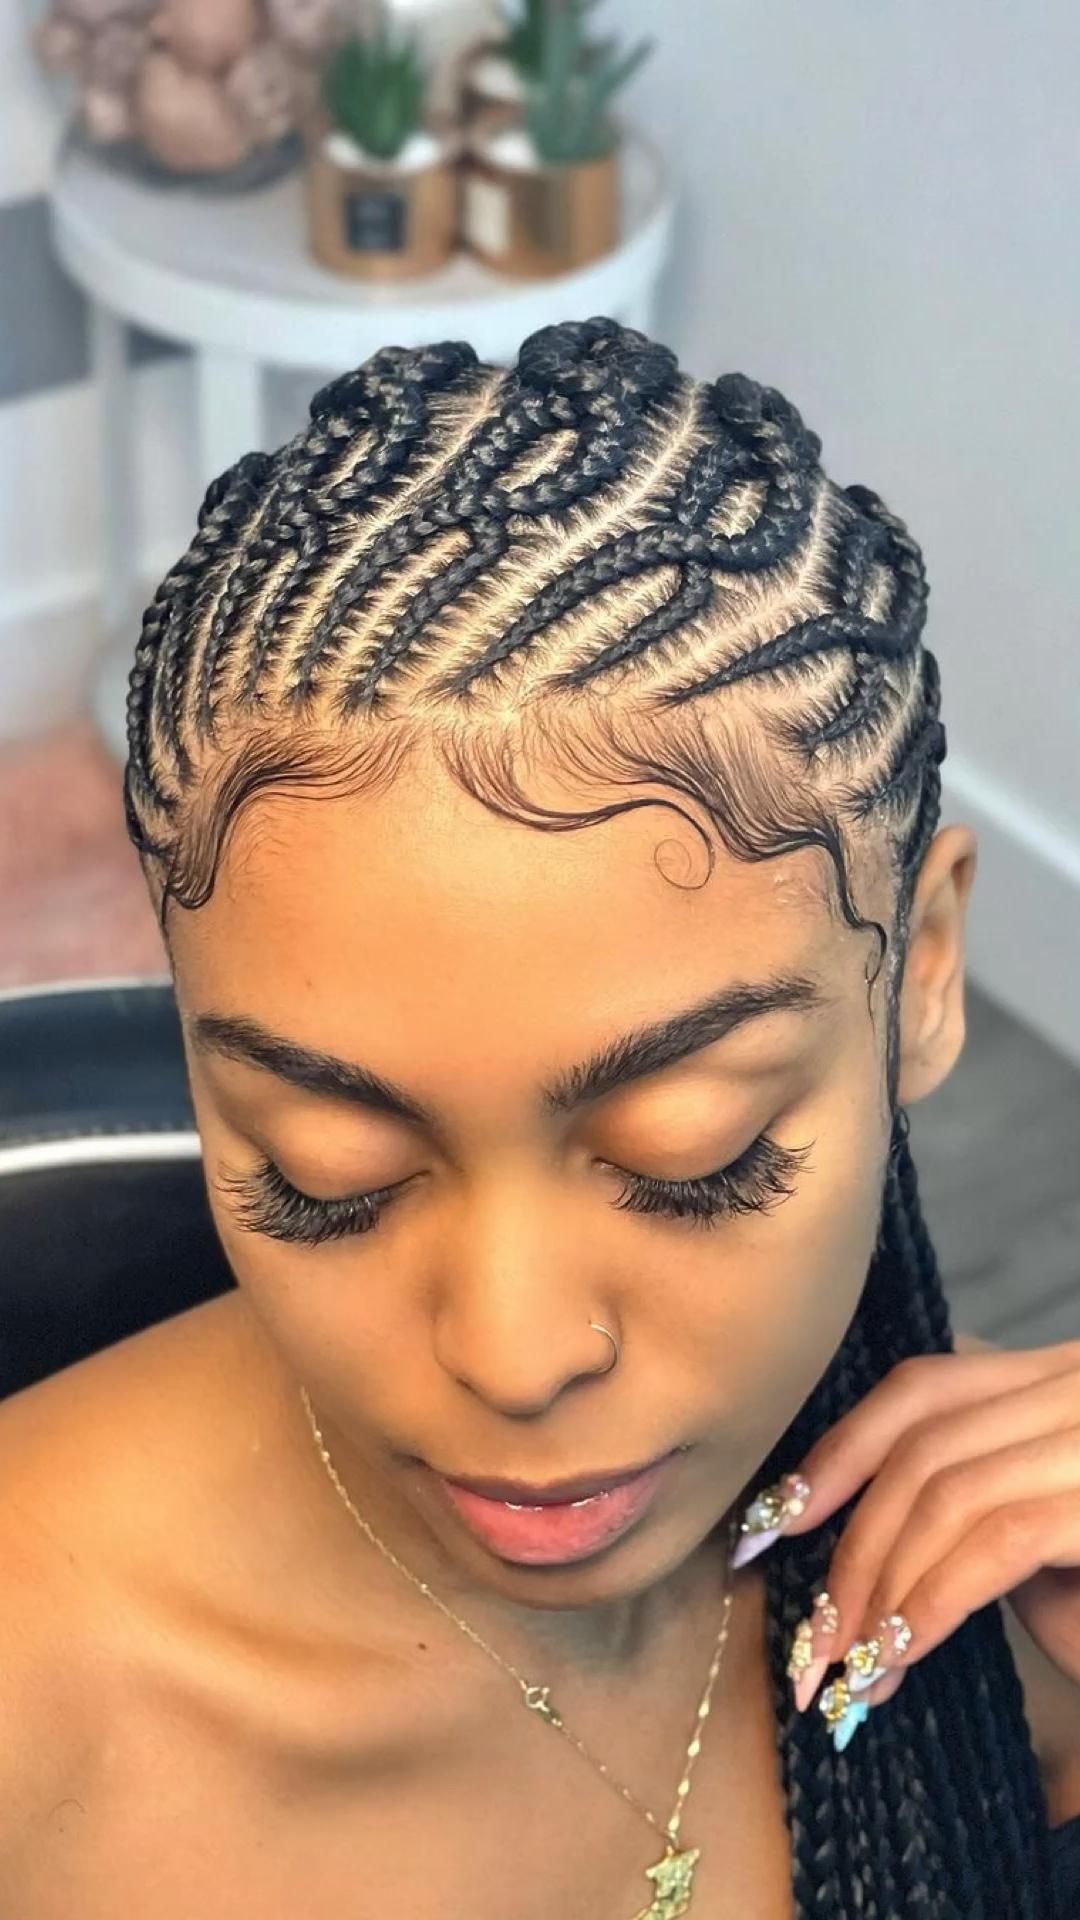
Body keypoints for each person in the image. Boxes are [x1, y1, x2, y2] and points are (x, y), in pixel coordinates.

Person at [2, 317, 1078, 1917]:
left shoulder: (1017, 1576)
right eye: (324, 1175)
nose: (514, 1358)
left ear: (920, 975)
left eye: (693, 1158)